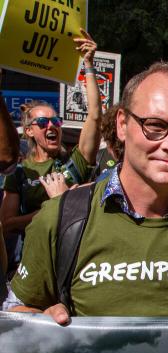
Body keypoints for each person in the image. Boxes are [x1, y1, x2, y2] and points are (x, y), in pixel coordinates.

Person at [8, 62, 168, 324]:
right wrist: (37, 322)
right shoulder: (61, 219)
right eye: (155, 125)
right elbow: (14, 315)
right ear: (123, 124)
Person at [1, 30, 101, 248]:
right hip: (36, 257)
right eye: (43, 123)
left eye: (55, 121)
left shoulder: (75, 162)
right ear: (29, 131)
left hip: (74, 255)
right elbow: (7, 224)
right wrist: (58, 205)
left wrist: (89, 65)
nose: (51, 126)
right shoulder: (20, 173)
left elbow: (94, 114)